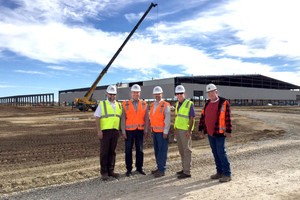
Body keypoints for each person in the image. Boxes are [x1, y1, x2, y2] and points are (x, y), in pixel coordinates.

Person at [198, 83, 232, 182]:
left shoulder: (223, 102)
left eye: (212, 92)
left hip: (220, 133)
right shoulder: (207, 103)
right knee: (215, 153)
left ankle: (227, 174)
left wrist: (229, 130)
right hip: (210, 133)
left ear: (216, 92)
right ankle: (219, 172)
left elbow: (228, 118)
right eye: (208, 93)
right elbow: (203, 118)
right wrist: (200, 130)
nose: (210, 94)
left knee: (221, 152)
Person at [94, 85, 122, 180]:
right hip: (105, 132)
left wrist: (120, 130)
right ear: (107, 94)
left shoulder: (119, 105)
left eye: (114, 94)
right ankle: (104, 172)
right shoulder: (102, 104)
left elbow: (120, 118)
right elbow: (97, 117)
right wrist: (99, 130)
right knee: (104, 152)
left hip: (115, 131)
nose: (112, 96)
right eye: (110, 94)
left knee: (112, 152)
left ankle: (111, 170)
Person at [121, 84, 149, 177]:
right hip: (129, 131)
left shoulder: (144, 103)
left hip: (140, 131)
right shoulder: (125, 104)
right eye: (134, 92)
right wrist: (123, 131)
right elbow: (123, 119)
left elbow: (146, 118)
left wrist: (146, 130)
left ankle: (139, 168)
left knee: (140, 150)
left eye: (137, 92)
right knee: (128, 150)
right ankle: (129, 169)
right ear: (131, 93)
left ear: (139, 93)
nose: (136, 94)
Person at [174, 85, 195, 179]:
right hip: (178, 130)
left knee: (187, 150)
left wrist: (189, 130)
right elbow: (177, 118)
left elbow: (192, 118)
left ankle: (187, 171)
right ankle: (184, 168)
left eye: (181, 93)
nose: (179, 95)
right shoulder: (177, 104)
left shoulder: (189, 104)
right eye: (177, 94)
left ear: (184, 94)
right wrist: (175, 130)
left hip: (185, 130)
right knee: (182, 151)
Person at [149, 86, 171, 178]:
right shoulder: (152, 105)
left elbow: (168, 119)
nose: (157, 95)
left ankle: (162, 170)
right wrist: (151, 129)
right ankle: (159, 167)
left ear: (162, 94)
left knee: (162, 151)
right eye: (156, 94)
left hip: (162, 132)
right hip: (155, 131)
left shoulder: (166, 105)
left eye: (159, 94)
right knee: (157, 151)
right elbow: (153, 118)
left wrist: (166, 131)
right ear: (154, 95)